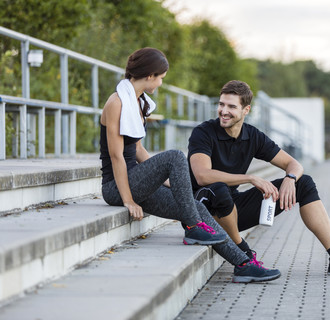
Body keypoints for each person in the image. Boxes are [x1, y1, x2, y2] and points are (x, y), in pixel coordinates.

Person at [100, 48, 280, 283]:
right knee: (175, 157)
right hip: (117, 186)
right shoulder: (116, 102)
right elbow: (116, 156)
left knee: (197, 207)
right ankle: (193, 226)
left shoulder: (137, 101)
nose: (161, 83)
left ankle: (244, 264)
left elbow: (138, 151)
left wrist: (168, 182)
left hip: (137, 181)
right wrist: (128, 200)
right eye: (161, 77)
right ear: (150, 75)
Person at [188, 80, 330, 277]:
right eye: (221, 104)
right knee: (219, 189)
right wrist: (251, 178)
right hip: (204, 212)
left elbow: (294, 164)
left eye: (231, 106)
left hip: (233, 210)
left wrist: (290, 179)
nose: (224, 111)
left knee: (304, 183)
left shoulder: (253, 136)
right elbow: (202, 176)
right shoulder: (203, 132)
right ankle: (243, 254)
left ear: (246, 110)